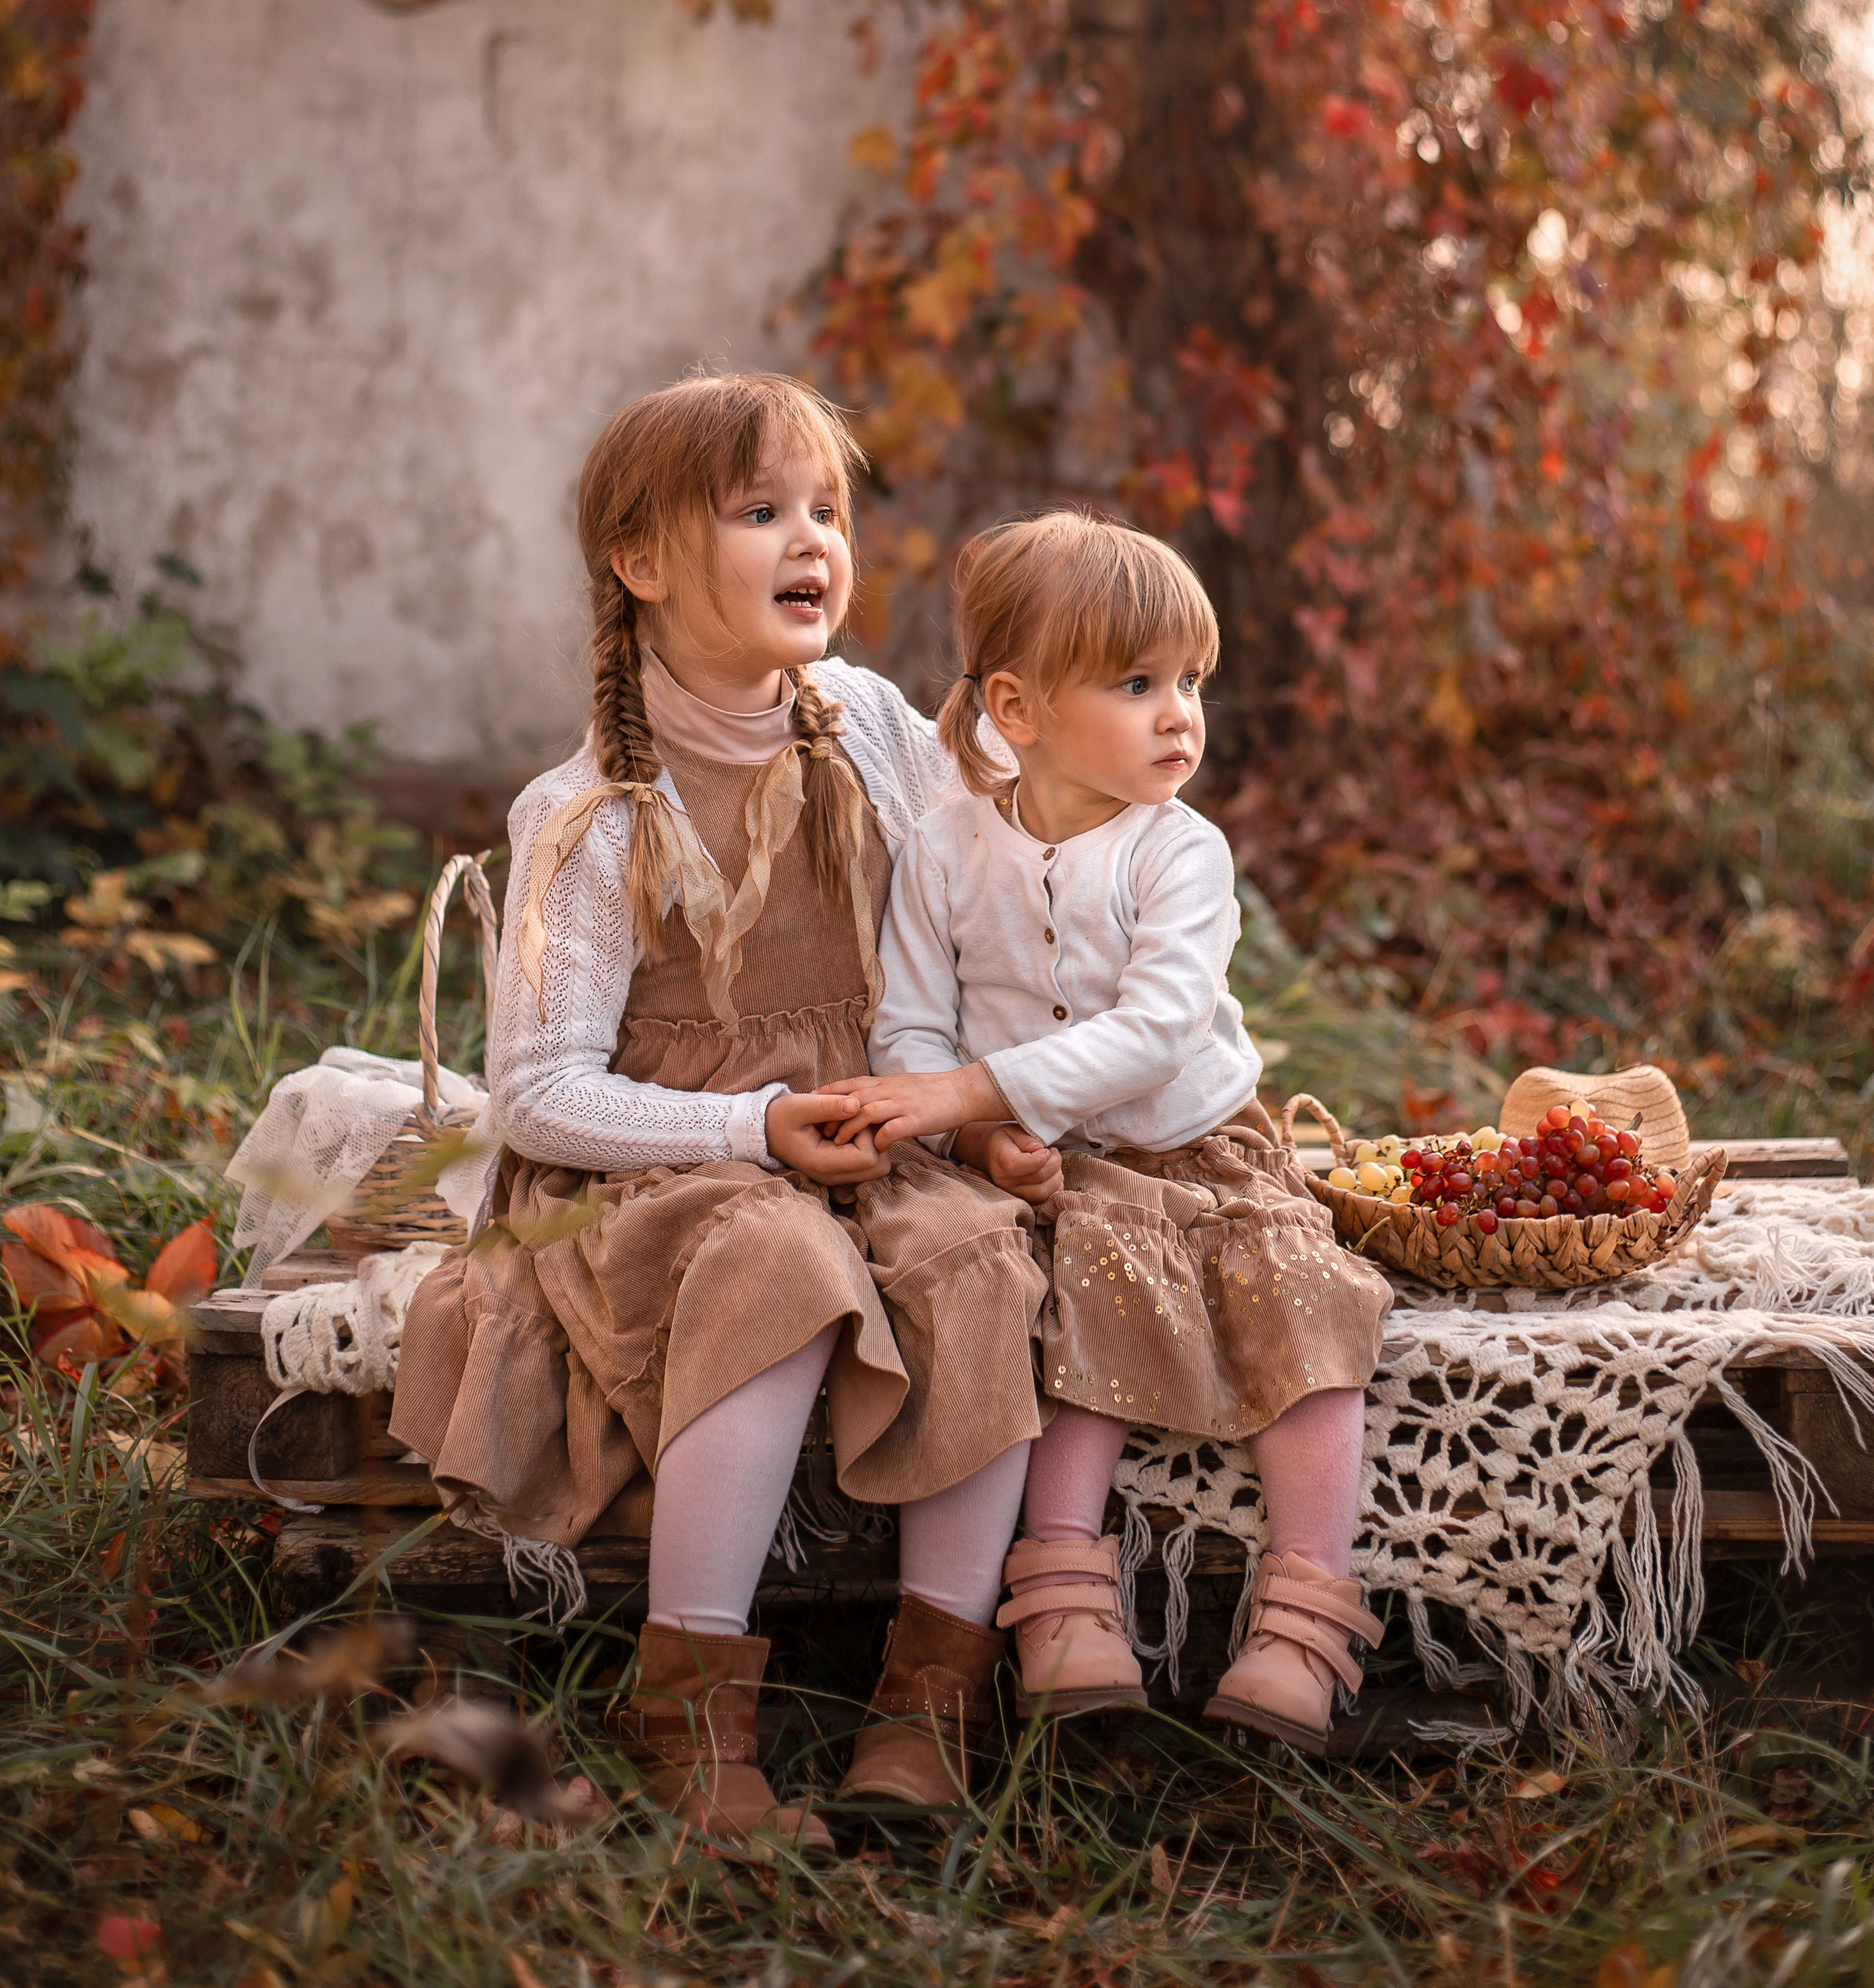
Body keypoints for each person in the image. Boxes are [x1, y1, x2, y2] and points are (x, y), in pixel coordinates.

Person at [391, 374, 1050, 1850]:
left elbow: (979, 922)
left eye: (825, 509)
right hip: (664, 1171)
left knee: (982, 1259)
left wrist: (976, 1103)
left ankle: (926, 1700)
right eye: (761, 513)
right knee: (785, 1265)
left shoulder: (875, 729)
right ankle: (689, 1704)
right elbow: (541, 1096)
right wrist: (752, 1130)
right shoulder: (591, 812)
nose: (814, 540)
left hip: (864, 1133)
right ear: (641, 563)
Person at [827, 510, 1393, 1753]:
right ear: (1018, 710)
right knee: (1083, 1289)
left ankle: (1303, 1617)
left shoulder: (1182, 854)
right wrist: (978, 1142)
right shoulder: (943, 848)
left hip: (1204, 1139)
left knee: (1305, 1294)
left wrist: (973, 1100)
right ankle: (1064, 1597)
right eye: (1137, 685)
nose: (1180, 713)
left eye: (1191, 680)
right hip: (1070, 1167)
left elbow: (1153, 1033)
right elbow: (913, 1028)